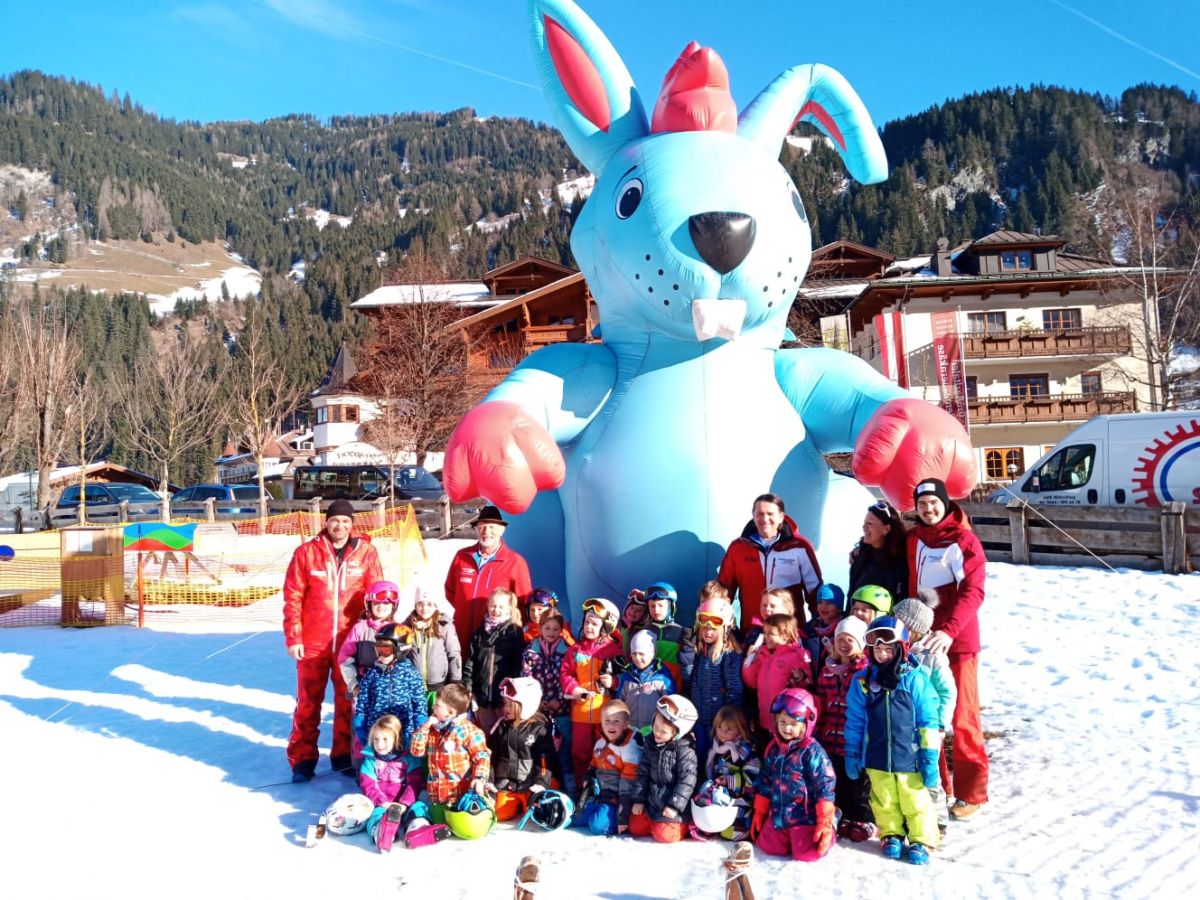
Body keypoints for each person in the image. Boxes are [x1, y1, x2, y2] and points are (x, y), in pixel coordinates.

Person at [282, 498, 384, 782]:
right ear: (326, 522)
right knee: (307, 703)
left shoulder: (366, 553)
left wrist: (375, 637)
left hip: (350, 642)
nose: (340, 526)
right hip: (313, 643)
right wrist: (294, 637)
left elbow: (377, 596)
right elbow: (293, 597)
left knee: (347, 701)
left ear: (352, 524)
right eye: (335, 520)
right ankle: (302, 759)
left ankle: (342, 756)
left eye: (345, 521)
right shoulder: (307, 553)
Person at [907, 477, 988, 820]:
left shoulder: (963, 541)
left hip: (957, 641)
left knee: (963, 715)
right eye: (922, 504)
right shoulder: (914, 539)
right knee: (928, 715)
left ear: (945, 503)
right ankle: (939, 786)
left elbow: (974, 591)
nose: (928, 509)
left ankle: (972, 792)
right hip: (922, 639)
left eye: (934, 503)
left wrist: (950, 631)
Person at [844, 616, 942, 865]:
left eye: (888, 649)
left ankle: (922, 839)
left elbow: (928, 721)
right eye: (877, 650)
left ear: (901, 648)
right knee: (883, 798)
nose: (882, 655)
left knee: (914, 799)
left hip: (910, 756)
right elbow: (855, 720)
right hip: (876, 755)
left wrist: (929, 757)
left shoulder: (914, 679)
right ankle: (891, 833)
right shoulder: (864, 682)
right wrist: (853, 752)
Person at [894, 590, 958, 836]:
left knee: (929, 773)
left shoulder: (932, 655)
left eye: (900, 622)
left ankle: (938, 819)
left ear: (914, 628)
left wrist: (940, 724)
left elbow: (947, 691)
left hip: (927, 724)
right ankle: (909, 815)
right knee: (905, 773)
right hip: (902, 724)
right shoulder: (895, 647)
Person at [750, 688, 837, 861]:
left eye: (793, 723)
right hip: (779, 816)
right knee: (767, 847)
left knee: (807, 854)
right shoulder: (773, 749)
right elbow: (765, 782)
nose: (786, 728)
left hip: (805, 818)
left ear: (806, 724)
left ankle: (833, 827)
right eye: (782, 722)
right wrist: (760, 811)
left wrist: (825, 820)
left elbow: (825, 784)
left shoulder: (811, 751)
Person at [718, 493, 822, 630]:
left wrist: (818, 621)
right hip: (751, 630)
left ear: (781, 516)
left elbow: (814, 588)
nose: (765, 519)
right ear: (753, 516)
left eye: (770, 514)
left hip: (788, 631)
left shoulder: (799, 547)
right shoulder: (738, 547)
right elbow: (724, 589)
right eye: (760, 514)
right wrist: (718, 617)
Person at [811, 616, 874, 842]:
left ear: (861, 644)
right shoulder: (827, 670)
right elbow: (820, 700)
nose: (844, 644)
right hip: (830, 737)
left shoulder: (864, 670)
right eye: (840, 639)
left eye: (850, 640)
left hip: (853, 739)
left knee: (858, 783)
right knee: (836, 780)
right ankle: (844, 816)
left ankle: (864, 819)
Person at [444, 505, 532, 652]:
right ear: (476, 530)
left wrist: (507, 631)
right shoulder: (462, 556)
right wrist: (465, 609)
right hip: (461, 634)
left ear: (502, 530)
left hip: (495, 643)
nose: (486, 532)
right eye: (482, 527)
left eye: (492, 527)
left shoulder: (515, 562)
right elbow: (450, 590)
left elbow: (523, 603)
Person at [561, 597, 622, 787]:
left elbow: (624, 677)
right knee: (580, 753)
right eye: (587, 622)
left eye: (594, 624)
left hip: (604, 715)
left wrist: (614, 682)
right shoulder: (575, 650)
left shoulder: (613, 650)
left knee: (605, 752)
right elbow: (565, 674)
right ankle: (581, 788)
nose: (589, 627)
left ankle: (604, 788)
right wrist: (576, 689)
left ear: (606, 626)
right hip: (581, 712)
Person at [409, 683, 492, 816]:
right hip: (437, 799)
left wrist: (479, 778)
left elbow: (482, 756)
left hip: (461, 800)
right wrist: (425, 726)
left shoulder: (468, 731)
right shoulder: (432, 730)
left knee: (459, 825)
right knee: (439, 824)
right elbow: (416, 751)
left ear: (450, 713)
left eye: (437, 705)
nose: (433, 707)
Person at [488, 677, 563, 822]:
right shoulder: (500, 727)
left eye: (510, 705)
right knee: (500, 814)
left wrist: (541, 783)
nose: (505, 709)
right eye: (504, 704)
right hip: (508, 784)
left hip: (532, 784)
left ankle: (540, 797)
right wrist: (490, 780)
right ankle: (514, 802)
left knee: (540, 812)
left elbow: (545, 760)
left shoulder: (539, 728)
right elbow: (491, 757)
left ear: (526, 705)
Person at [352, 624, 429, 760]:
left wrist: (420, 727)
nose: (380, 655)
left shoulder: (410, 674)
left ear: (401, 649)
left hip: (403, 735)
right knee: (374, 766)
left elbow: (419, 704)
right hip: (377, 737)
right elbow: (363, 702)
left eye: (386, 650)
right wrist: (360, 725)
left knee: (403, 767)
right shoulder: (372, 674)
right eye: (378, 650)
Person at [630, 695, 700, 844]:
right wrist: (639, 800)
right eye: (655, 727)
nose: (657, 733)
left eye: (663, 731)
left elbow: (687, 782)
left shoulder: (685, 751)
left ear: (677, 733)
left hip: (673, 804)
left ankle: (683, 826)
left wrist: (674, 806)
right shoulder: (650, 743)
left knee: (664, 835)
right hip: (653, 801)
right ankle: (657, 822)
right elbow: (643, 773)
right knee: (636, 827)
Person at [462, 587, 526, 736]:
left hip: (504, 696)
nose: (496, 610)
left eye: (501, 607)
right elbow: (470, 661)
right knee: (487, 732)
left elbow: (518, 663)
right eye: (493, 606)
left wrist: (513, 690)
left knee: (506, 732)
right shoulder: (479, 633)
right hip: (483, 695)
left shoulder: (514, 631)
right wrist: (469, 688)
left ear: (509, 608)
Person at [689, 595, 744, 764]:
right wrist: (686, 659)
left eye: (713, 629)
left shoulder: (729, 654)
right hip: (700, 717)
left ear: (725, 629)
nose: (708, 632)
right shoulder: (700, 652)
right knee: (700, 754)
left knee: (717, 757)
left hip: (719, 723)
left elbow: (734, 688)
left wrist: (729, 719)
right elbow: (691, 680)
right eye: (704, 628)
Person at [522, 610, 573, 789]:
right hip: (539, 710)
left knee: (564, 750)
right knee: (540, 749)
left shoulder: (567, 651)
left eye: (556, 628)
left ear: (561, 629)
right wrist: (537, 700)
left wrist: (560, 699)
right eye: (547, 628)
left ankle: (569, 787)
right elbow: (527, 677)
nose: (551, 632)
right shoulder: (531, 651)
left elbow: (568, 677)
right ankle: (542, 784)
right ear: (540, 628)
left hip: (561, 710)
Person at [575, 700, 641, 835]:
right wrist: (588, 775)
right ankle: (597, 811)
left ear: (625, 724)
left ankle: (613, 820)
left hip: (617, 799)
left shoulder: (629, 748)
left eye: (616, 721)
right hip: (600, 795)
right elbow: (594, 763)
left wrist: (622, 817)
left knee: (597, 826)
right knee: (577, 818)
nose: (611, 725)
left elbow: (627, 786)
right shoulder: (600, 742)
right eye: (607, 720)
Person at [742, 613, 812, 737]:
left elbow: (806, 685)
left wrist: (800, 676)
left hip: (786, 723)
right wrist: (751, 661)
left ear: (785, 636)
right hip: (765, 720)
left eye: (771, 634)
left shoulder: (795, 655)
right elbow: (751, 682)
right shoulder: (763, 655)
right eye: (765, 633)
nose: (766, 637)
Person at [359, 715, 421, 852]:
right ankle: (381, 832)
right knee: (376, 814)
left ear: (397, 739)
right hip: (382, 803)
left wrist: (405, 803)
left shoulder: (407, 758)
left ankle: (417, 828)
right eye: (376, 739)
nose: (379, 744)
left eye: (385, 739)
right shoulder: (371, 760)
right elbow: (367, 784)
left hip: (403, 804)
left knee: (419, 807)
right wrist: (382, 803)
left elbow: (414, 783)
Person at [704, 705, 760, 840]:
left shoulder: (745, 750)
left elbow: (752, 777)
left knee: (730, 833)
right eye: (719, 728)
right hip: (720, 794)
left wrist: (729, 781)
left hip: (739, 797)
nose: (723, 733)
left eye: (729, 729)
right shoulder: (716, 748)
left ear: (740, 729)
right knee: (705, 821)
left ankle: (742, 826)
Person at [336, 580, 399, 699]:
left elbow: (406, 660)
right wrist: (354, 684)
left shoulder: (399, 630)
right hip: (364, 687)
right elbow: (344, 659)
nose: (381, 607)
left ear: (394, 606)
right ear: (369, 605)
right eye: (376, 603)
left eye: (386, 603)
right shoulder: (360, 628)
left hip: (391, 689)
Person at [630, 582, 695, 689]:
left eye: (661, 605)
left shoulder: (681, 632)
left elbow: (686, 663)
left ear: (671, 607)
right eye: (652, 606)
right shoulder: (644, 632)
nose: (656, 610)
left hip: (672, 685)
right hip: (648, 686)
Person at [405, 586, 462, 706]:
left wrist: (455, 680)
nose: (424, 608)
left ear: (435, 606)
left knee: (437, 714)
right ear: (415, 605)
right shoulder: (407, 626)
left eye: (429, 604)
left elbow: (454, 653)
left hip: (438, 685)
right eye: (420, 604)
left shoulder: (444, 625)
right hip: (413, 686)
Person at [610, 630, 676, 733]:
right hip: (631, 730)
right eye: (634, 654)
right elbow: (619, 702)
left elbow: (670, 704)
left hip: (653, 731)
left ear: (652, 653)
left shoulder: (662, 677)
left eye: (641, 654)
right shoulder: (627, 676)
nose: (637, 658)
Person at [849, 501, 909, 602]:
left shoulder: (902, 562)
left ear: (886, 529)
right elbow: (851, 597)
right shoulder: (859, 557)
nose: (864, 527)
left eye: (869, 523)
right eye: (864, 523)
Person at [802, 583, 844, 675]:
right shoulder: (809, 630)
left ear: (839, 607)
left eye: (829, 603)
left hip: (836, 678)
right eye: (820, 602)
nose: (823, 607)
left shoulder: (845, 629)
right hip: (814, 678)